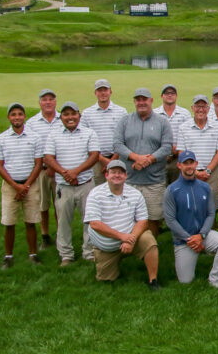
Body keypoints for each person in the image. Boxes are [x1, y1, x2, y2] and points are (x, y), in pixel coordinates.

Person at [83, 160, 160, 290]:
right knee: (106, 280)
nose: (117, 175)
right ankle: (110, 263)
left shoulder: (135, 194)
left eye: (120, 173)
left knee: (149, 240)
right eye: (113, 172)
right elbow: (95, 224)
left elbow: (143, 221)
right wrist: (121, 237)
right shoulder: (95, 194)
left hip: (130, 237)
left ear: (126, 176)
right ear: (106, 175)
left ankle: (153, 280)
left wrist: (130, 239)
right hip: (106, 246)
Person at [163, 151, 218, 288]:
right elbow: (170, 220)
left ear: (196, 164)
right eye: (185, 163)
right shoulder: (171, 190)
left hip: (203, 234)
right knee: (186, 281)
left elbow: (211, 214)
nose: (189, 167)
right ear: (179, 165)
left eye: (191, 163)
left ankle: (214, 279)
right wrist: (189, 239)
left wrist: (201, 235)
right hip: (184, 240)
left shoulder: (205, 187)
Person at [113, 87, 174, 238]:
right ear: (134, 101)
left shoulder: (162, 122)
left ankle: (150, 247)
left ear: (151, 101)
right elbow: (117, 144)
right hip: (129, 180)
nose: (141, 102)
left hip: (154, 180)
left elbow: (167, 147)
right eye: (138, 99)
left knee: (154, 217)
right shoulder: (125, 121)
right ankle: (131, 245)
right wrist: (135, 157)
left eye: (144, 99)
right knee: (128, 218)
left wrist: (147, 160)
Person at [44, 101, 100, 266]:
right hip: (64, 186)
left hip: (85, 184)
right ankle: (66, 254)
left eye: (73, 114)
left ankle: (89, 252)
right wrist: (65, 173)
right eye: (66, 114)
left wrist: (76, 172)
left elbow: (94, 155)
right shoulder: (53, 134)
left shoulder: (89, 133)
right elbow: (48, 157)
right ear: (61, 117)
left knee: (89, 219)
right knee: (63, 221)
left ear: (79, 116)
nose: (70, 117)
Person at [0, 102, 43, 269]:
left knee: (31, 221)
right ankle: (8, 256)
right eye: (13, 114)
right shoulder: (1, 138)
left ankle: (33, 254)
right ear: (9, 117)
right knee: (9, 223)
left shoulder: (35, 137)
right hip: (10, 186)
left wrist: (26, 186)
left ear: (24, 117)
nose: (17, 117)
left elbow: (38, 164)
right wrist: (15, 186)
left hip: (30, 184)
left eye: (20, 114)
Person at [175, 95, 218, 208]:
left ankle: (211, 226)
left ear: (208, 109)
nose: (201, 110)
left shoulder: (217, 127)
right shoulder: (183, 127)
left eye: (203, 106)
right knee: (190, 204)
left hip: (211, 173)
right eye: (198, 106)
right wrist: (195, 172)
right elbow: (181, 153)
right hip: (189, 172)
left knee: (211, 206)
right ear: (192, 108)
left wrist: (207, 171)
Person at [25, 88, 60, 249]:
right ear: (39, 102)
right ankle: (45, 235)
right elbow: (31, 148)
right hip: (42, 170)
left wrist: (56, 166)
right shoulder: (32, 123)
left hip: (61, 170)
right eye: (44, 99)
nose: (48, 102)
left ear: (55, 102)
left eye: (51, 99)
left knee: (59, 204)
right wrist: (47, 165)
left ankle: (61, 234)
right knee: (43, 205)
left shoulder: (63, 119)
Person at [80, 79, 127, 186]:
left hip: (117, 157)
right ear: (95, 93)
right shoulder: (87, 113)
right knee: (98, 190)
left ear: (110, 91)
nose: (102, 93)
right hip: (96, 161)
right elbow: (83, 138)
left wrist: (112, 160)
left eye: (105, 90)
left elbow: (125, 136)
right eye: (99, 90)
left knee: (118, 188)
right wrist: (101, 159)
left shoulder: (121, 111)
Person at [154, 84, 191, 184]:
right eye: (166, 93)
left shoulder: (185, 114)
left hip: (178, 158)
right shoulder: (154, 114)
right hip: (159, 158)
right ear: (162, 96)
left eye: (172, 93)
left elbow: (189, 135)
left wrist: (177, 148)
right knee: (160, 188)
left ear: (176, 96)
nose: (170, 95)